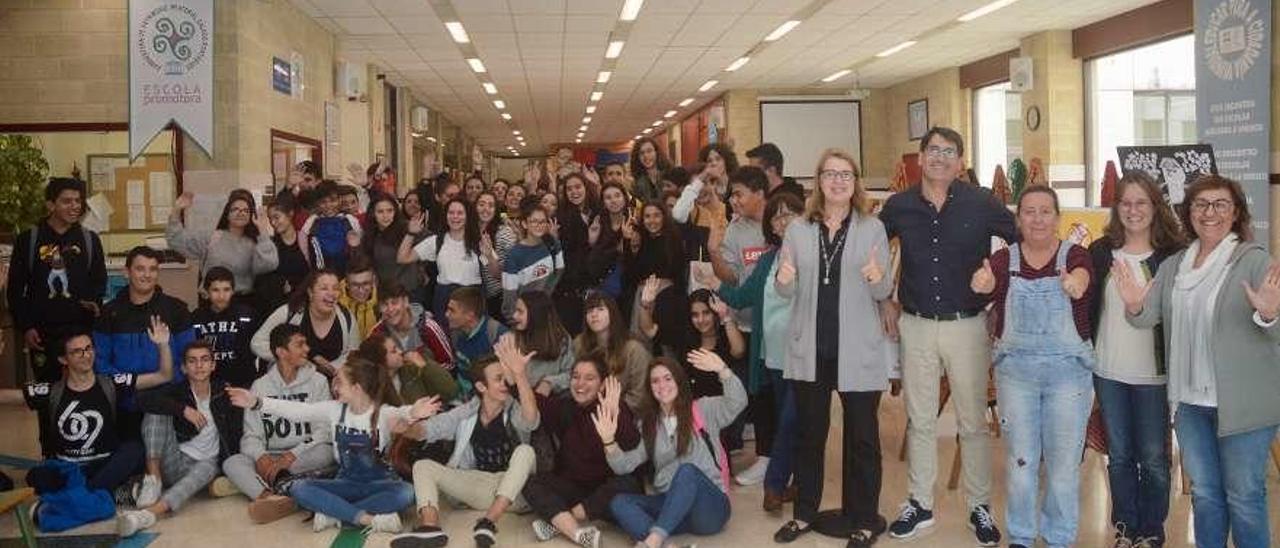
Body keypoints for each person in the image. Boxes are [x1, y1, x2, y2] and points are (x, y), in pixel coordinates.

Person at [1115, 175, 1280, 548]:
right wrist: (1134, 303)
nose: (1210, 213)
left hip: (1245, 405)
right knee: (1205, 495)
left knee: (1244, 495)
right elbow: (1146, 318)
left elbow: (1274, 329)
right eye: (1201, 204)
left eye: (1220, 204)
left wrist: (1269, 315)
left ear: (1235, 212)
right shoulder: (1176, 265)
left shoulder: (1254, 261)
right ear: (1188, 213)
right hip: (1190, 403)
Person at [880, 127, 1015, 545]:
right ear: (920, 158)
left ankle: (979, 508)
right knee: (920, 420)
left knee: (973, 423)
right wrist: (884, 296)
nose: (940, 158)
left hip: (968, 325)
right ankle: (920, 504)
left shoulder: (981, 202)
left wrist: (994, 272)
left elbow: (1020, 242)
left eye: (949, 152)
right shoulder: (898, 206)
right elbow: (869, 248)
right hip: (916, 325)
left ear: (960, 161)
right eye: (933, 150)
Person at [769, 149, 893, 548]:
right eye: (830, 174)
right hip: (812, 349)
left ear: (855, 182)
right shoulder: (799, 230)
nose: (838, 181)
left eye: (846, 174)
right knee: (810, 435)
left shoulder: (872, 228)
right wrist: (785, 279)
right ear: (817, 182)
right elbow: (783, 288)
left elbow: (883, 289)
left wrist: (877, 278)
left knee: (862, 438)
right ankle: (804, 512)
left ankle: (864, 518)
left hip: (857, 349)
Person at [972, 186, 1095, 548]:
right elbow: (987, 286)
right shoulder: (1002, 260)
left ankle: (1058, 537)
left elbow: (1083, 279)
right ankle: (1022, 536)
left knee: (1062, 467)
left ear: (1057, 217)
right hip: (1017, 376)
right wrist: (985, 284)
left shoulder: (1077, 256)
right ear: (1018, 218)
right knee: (1020, 464)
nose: (1038, 218)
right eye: (1029, 211)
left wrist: (1076, 284)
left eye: (1045, 211)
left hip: (1068, 376)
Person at [226, 357, 443, 535]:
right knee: (300, 488)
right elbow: (297, 411)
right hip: (345, 483)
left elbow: (403, 414)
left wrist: (414, 413)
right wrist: (256, 402)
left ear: (357, 388)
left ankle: (332, 512)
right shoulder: (333, 410)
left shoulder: (383, 414)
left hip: (380, 484)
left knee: (406, 493)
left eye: (340, 382)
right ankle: (366, 518)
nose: (334, 386)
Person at [1086, 172, 1184, 547]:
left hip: (1154, 376)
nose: (1133, 210)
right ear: (1116, 208)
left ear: (1155, 206)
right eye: (1125, 203)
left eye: (1141, 202)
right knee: (1121, 455)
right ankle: (1125, 525)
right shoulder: (1100, 252)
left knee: (1154, 457)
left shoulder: (1173, 256)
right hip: (1108, 371)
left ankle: (1151, 529)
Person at [694, 192, 804, 507]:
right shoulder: (769, 258)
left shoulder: (810, 254)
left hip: (802, 355)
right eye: (777, 216)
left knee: (791, 420)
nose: (783, 221)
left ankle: (776, 483)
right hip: (773, 355)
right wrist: (714, 283)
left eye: (790, 213)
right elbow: (744, 297)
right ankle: (791, 480)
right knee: (787, 418)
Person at [392, 339, 541, 548]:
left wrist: (519, 374)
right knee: (422, 465)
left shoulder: (514, 408)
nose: (504, 384)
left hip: (516, 492)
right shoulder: (467, 412)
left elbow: (531, 420)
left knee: (526, 451)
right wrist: (404, 425)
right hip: (479, 486)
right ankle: (430, 528)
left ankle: (488, 522)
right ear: (481, 386)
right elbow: (428, 430)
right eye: (498, 379)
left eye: (504, 378)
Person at [0, 324, 174, 493]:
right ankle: (103, 491)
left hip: (105, 464)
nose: (86, 355)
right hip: (70, 468)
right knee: (37, 476)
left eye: (89, 348)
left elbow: (164, 375)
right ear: (63, 359)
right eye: (77, 351)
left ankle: (84, 492)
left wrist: (163, 345)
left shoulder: (112, 383)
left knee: (134, 450)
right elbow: (4, 396)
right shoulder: (51, 391)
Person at [601, 351, 745, 548]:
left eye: (668, 378)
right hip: (671, 508)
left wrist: (723, 370)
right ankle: (666, 544)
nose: (662, 386)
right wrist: (609, 441)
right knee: (619, 502)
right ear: (650, 388)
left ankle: (653, 540)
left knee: (687, 472)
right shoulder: (648, 424)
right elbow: (625, 465)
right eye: (655, 381)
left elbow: (738, 402)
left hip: (709, 509)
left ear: (678, 380)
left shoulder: (703, 409)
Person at [117, 341, 245, 537]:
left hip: (207, 463)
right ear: (184, 368)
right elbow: (143, 400)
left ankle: (146, 515)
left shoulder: (225, 393)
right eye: (192, 361)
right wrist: (182, 409)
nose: (199, 366)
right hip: (172, 460)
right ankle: (153, 479)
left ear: (213, 365)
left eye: (204, 360)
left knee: (207, 468)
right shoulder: (178, 391)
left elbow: (237, 431)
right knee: (156, 411)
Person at [521, 356, 641, 548]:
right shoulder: (567, 408)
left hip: (605, 490)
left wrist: (615, 413)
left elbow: (632, 442)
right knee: (531, 481)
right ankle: (577, 533)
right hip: (575, 488)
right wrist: (518, 375)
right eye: (576, 376)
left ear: (602, 384)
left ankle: (561, 523)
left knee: (628, 484)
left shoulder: (613, 406)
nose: (580, 383)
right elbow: (537, 402)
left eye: (589, 378)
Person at [222, 324, 334, 525]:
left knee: (326, 453)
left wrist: (292, 455)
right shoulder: (260, 386)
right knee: (232, 462)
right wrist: (261, 457)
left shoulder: (318, 381)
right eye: (300, 345)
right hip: (271, 456)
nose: (307, 349)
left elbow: (324, 431)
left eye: (306, 343)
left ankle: (268, 486)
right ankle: (273, 498)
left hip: (302, 456)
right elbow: (250, 436)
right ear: (281, 352)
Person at [8, 177, 107, 384]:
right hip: (43, 335)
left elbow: (99, 281)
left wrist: (94, 302)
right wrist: (26, 327)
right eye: (66, 201)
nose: (74, 207)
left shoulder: (89, 240)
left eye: (78, 201)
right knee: (48, 398)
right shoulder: (29, 240)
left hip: (81, 332)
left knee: (83, 392)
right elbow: (16, 289)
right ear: (51, 205)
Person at [94, 246, 196, 381]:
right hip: (122, 396)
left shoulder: (177, 310)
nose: (147, 275)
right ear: (126, 272)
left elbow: (189, 359)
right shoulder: (108, 313)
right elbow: (101, 364)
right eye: (140, 269)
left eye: (152, 269)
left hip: (168, 395)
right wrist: (129, 385)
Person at [400, 198, 496, 323]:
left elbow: (496, 274)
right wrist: (410, 234)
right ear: (445, 216)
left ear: (468, 216)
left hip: (472, 300)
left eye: (460, 213)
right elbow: (403, 257)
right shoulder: (436, 241)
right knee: (445, 340)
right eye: (451, 213)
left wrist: (489, 256)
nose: (455, 217)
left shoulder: (478, 241)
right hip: (444, 300)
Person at [251, 270, 359, 380]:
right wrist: (294, 359)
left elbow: (353, 354)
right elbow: (257, 343)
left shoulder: (346, 318)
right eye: (324, 288)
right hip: (288, 383)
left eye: (335, 288)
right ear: (310, 292)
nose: (331, 293)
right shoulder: (289, 312)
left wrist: (333, 368)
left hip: (332, 383)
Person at [574, 292, 651, 409]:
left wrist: (611, 409)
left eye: (600, 309)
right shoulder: (579, 344)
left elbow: (640, 395)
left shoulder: (634, 349)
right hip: (584, 410)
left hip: (623, 414)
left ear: (613, 314)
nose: (594, 314)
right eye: (589, 311)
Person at [192, 267, 260, 389]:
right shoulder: (197, 317)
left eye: (226, 289)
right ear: (207, 291)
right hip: (209, 380)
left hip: (242, 379)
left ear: (233, 290)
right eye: (215, 290)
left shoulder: (247, 314)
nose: (221, 295)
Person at [622, 202, 686, 328]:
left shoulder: (674, 238)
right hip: (642, 296)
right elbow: (631, 275)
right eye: (647, 216)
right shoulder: (641, 240)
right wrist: (627, 242)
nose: (652, 220)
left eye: (657, 215)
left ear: (664, 217)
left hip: (667, 296)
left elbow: (679, 273)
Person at [554, 173, 600, 335]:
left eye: (578, 187)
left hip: (598, 282)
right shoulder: (560, 216)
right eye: (569, 189)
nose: (574, 192)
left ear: (586, 188)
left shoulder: (598, 211)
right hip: (570, 287)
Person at [502, 201, 564, 320]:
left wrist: (546, 295)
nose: (539, 225)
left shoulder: (551, 244)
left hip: (544, 312)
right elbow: (509, 297)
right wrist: (515, 320)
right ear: (525, 224)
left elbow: (559, 270)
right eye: (534, 221)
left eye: (542, 222)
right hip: (523, 317)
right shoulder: (514, 255)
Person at [370, 283, 455, 369]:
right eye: (384, 304)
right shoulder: (377, 332)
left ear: (406, 302)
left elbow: (449, 364)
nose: (390, 309)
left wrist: (425, 368)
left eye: (394, 303)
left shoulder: (428, 328)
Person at [506, 291, 574, 396]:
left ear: (535, 314)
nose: (514, 316)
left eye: (520, 312)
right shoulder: (510, 339)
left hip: (552, 400)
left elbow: (572, 374)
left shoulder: (562, 339)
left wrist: (549, 382)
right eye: (516, 311)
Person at [357, 334, 458, 405]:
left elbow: (450, 392)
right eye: (393, 351)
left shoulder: (413, 367)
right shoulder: (372, 389)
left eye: (397, 347)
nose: (400, 352)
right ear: (380, 360)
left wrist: (425, 366)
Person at [356, 194, 424, 299]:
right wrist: (354, 247)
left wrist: (421, 273)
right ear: (373, 214)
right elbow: (365, 263)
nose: (385, 216)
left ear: (395, 212)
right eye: (380, 212)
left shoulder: (408, 227)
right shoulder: (370, 235)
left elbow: (432, 244)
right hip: (384, 293)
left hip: (410, 291)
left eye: (389, 211)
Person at [260, 195, 311, 313]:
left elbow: (318, 273)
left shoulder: (308, 241)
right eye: (270, 218)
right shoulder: (271, 244)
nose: (273, 222)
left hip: (304, 306)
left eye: (276, 217)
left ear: (290, 214)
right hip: (277, 308)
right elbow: (264, 277)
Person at [300, 180, 363, 275]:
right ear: (317, 203)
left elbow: (360, 248)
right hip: (321, 275)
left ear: (339, 200)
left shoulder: (350, 220)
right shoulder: (312, 221)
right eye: (323, 202)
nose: (328, 206)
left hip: (347, 274)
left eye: (333, 200)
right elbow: (304, 251)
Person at [444, 287, 508, 379]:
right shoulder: (456, 333)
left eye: (452, 310)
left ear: (470, 315)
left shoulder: (498, 335)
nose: (446, 314)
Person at [673, 143, 737, 226]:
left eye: (718, 159)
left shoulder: (735, 186)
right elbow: (678, 214)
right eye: (709, 161)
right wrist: (702, 177)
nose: (714, 163)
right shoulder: (695, 205)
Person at [477, 191, 517, 319]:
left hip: (502, 296)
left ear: (496, 210)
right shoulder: (473, 232)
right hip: (483, 296)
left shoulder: (503, 232)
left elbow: (512, 271)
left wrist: (489, 256)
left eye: (490, 205)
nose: (486, 209)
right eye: (481, 204)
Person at [339, 256, 380, 340]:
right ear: (346, 284)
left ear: (374, 280)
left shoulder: (383, 304)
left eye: (366, 283)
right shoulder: (335, 305)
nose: (361, 290)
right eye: (355, 285)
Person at [629, 137, 671, 203]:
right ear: (637, 157)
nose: (646, 156)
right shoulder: (636, 185)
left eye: (649, 151)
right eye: (641, 153)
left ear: (656, 152)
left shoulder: (670, 174)